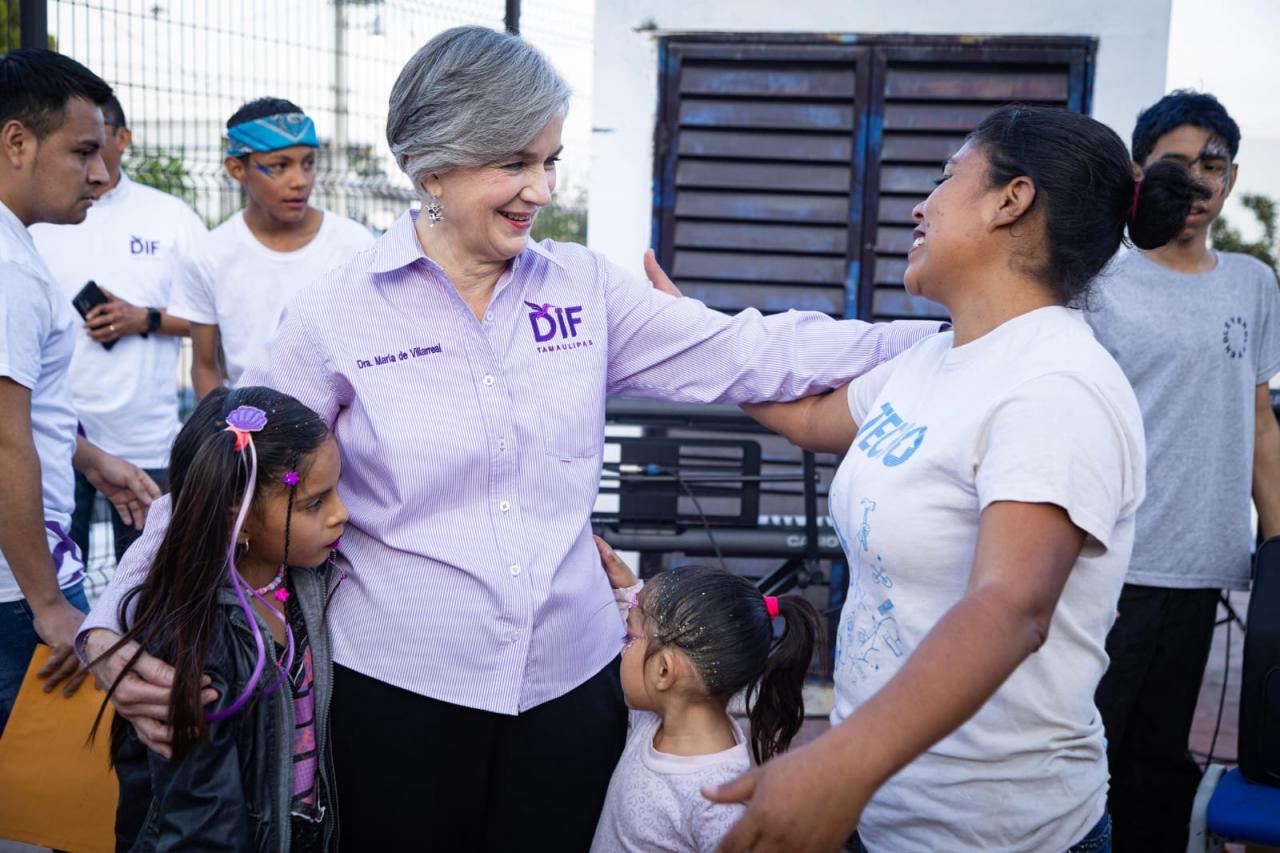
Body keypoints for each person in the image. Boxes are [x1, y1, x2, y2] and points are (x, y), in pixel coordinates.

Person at [80, 26, 942, 851]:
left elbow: (754, 350)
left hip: (571, 687)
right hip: (397, 692)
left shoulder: (584, 289)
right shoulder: (337, 311)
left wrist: (952, 338)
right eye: (515, 162)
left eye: (550, 160)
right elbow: (224, 472)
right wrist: (109, 628)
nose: (542, 189)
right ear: (434, 166)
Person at [706, 105, 1206, 852]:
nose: (921, 206)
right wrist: (684, 335)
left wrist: (841, 765)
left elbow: (1011, 606)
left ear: (1012, 200)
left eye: (945, 178)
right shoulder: (934, 360)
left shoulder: (1058, 385)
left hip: (995, 834)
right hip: (883, 816)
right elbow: (808, 418)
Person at [1087, 91, 1280, 851]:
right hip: (1110, 559)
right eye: (1176, 163)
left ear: (1231, 177)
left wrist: (1278, 547)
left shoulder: (1253, 284)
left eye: (1213, 164)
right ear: (1140, 172)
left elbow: (1261, 422)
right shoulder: (1100, 280)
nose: (1197, 182)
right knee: (1088, 744)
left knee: (1162, 758)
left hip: (1202, 563)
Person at [92, 385, 347, 851]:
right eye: (315, 503)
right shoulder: (193, 642)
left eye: (337, 492)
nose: (341, 514)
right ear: (240, 519)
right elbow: (199, 820)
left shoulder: (308, 585)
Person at [0, 48, 161, 735]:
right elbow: (5, 442)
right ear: (17, 142)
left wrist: (92, 460)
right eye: (83, 151)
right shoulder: (10, 267)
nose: (101, 173)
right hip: (16, 586)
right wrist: (48, 603)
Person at [31, 94, 203, 564]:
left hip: (145, 441)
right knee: (59, 582)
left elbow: (213, 321)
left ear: (123, 138)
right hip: (55, 440)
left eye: (94, 140)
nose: (86, 157)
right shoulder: (37, 219)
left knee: (147, 587)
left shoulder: (171, 217)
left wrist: (145, 319)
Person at [590, 537, 821, 853]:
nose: (623, 649)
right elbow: (645, 626)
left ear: (664, 671)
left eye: (628, 639)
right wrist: (629, 589)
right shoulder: (660, 713)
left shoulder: (718, 799)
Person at [168, 97, 373, 398]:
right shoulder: (207, 256)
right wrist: (218, 427)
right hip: (248, 422)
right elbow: (204, 366)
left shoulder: (355, 244)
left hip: (342, 420)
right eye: (280, 166)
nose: (300, 181)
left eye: (308, 163)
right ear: (237, 168)